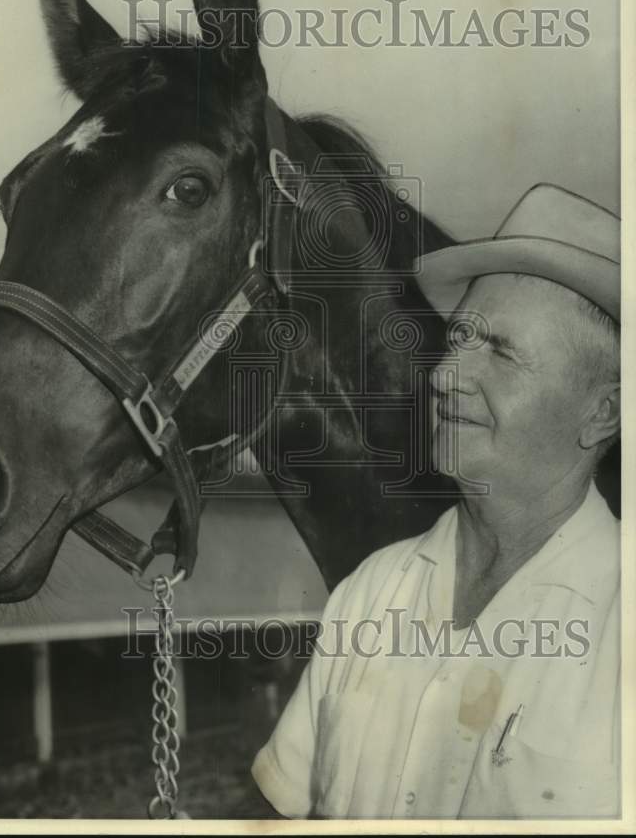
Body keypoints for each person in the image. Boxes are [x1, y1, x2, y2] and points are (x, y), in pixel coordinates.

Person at [251, 183, 620, 819]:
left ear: (602, 413)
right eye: (456, 340)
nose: (445, 375)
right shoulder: (367, 592)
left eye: (500, 352)